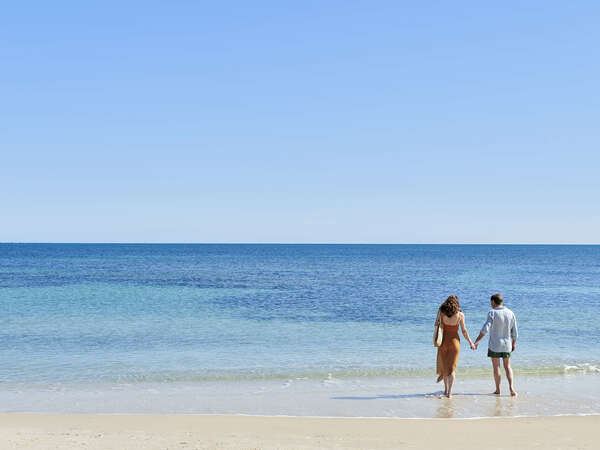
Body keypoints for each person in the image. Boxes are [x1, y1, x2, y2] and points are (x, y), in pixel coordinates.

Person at [473, 293, 518, 396]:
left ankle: (498, 390)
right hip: (507, 345)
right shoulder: (510, 313)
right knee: (508, 366)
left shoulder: (492, 312)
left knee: (496, 367)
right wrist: (513, 344)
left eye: (491, 302)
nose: (491, 304)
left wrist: (477, 341)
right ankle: (511, 388)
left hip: (495, 345)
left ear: (493, 302)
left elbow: (485, 329)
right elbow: (515, 332)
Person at [435, 295, 476, 398]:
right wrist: (471, 342)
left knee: (445, 368)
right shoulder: (460, 315)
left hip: (443, 341)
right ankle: (450, 392)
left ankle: (445, 390)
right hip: (455, 342)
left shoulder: (441, 312)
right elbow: (464, 331)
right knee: (452, 369)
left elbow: (436, 323)